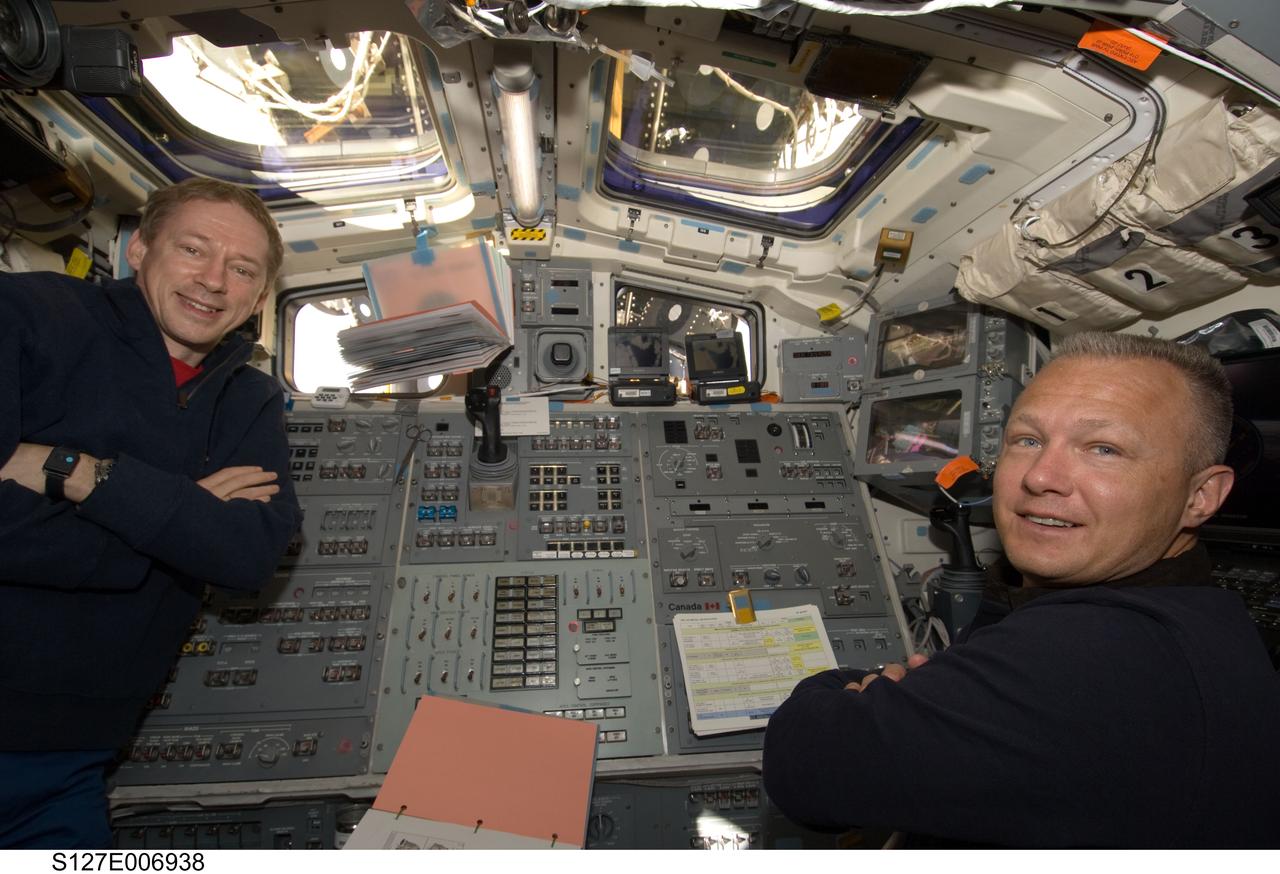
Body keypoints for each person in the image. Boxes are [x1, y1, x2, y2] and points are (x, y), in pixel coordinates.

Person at [763, 332, 1280, 848]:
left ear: (1201, 496)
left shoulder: (1090, 654)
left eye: (1104, 449)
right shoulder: (1201, 614)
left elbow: (803, 764)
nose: (1040, 477)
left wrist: (851, 687)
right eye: (1028, 440)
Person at [0, 178, 303, 848]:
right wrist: (178, 526)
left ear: (260, 297)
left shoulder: (248, 397)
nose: (213, 280)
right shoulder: (27, 314)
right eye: (193, 250)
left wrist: (80, 474)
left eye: (242, 270)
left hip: (74, 754)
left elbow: (246, 555)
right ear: (139, 249)